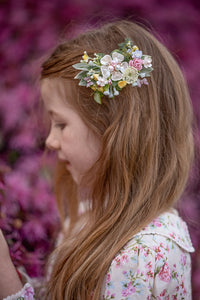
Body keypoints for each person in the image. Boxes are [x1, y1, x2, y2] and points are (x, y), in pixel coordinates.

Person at [0, 20, 195, 300]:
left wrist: (7, 279)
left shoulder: (142, 254)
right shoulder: (91, 216)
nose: (51, 141)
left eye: (61, 124)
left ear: (112, 130)